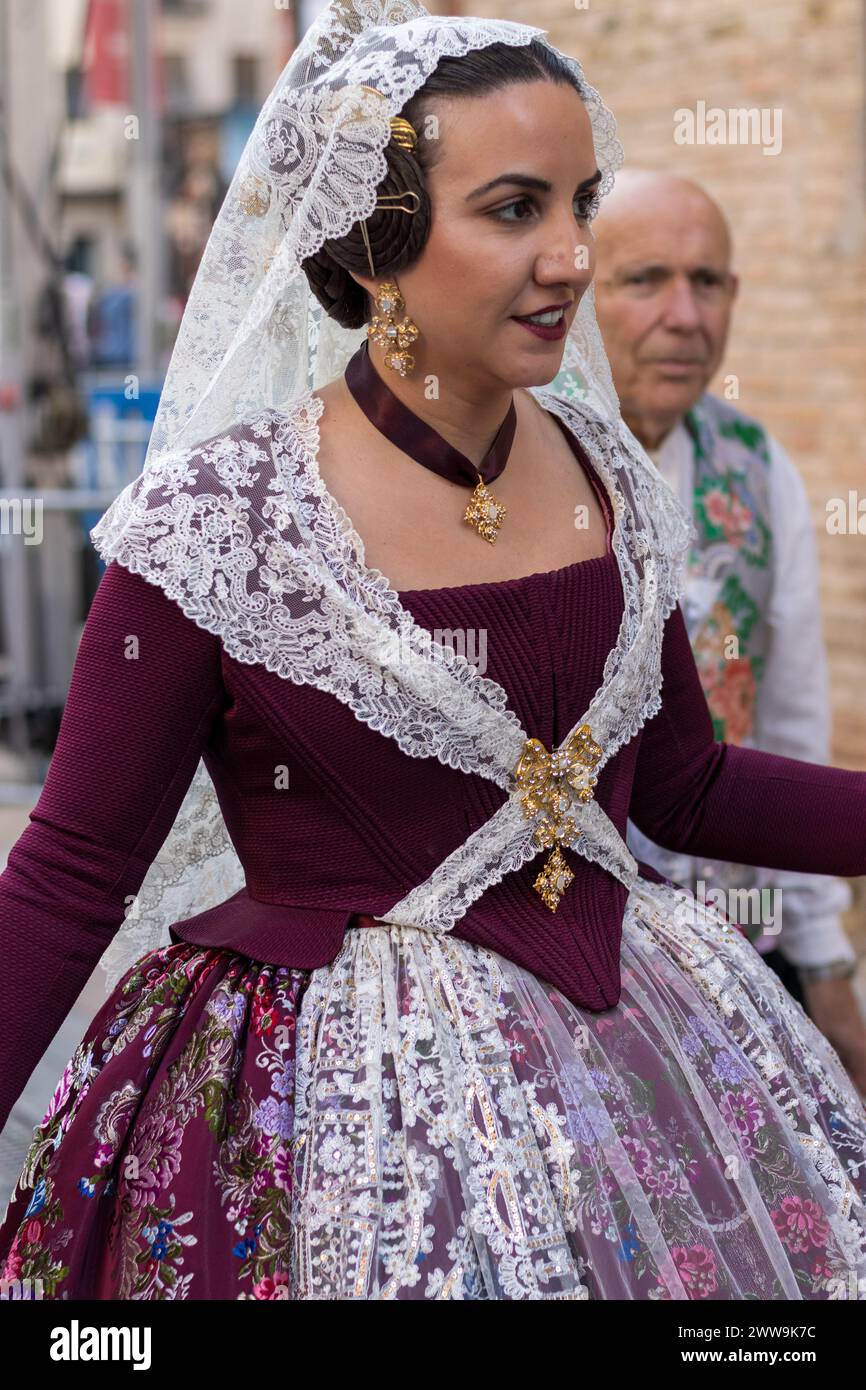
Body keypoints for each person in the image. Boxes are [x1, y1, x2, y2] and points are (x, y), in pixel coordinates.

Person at [1, 1, 865, 1302]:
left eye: (581, 201)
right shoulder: (220, 519)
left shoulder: (614, 480)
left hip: (639, 1061)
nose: (573, 256)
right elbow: (71, 870)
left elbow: (680, 786)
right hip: (319, 1116)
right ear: (382, 241)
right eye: (514, 208)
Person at [550, 169, 866, 1094]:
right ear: (576, 295)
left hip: (735, 954)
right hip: (561, 971)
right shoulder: (525, 464)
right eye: (645, 280)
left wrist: (824, 958)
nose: (685, 316)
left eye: (710, 281)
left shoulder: (756, 470)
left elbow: (792, 718)